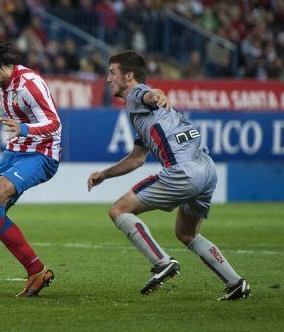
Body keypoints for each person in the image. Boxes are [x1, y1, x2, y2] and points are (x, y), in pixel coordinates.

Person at [87, 50, 250, 301]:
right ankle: (235, 283)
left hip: (183, 171)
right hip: (207, 168)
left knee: (119, 210)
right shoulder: (142, 115)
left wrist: (157, 94)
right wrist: (104, 175)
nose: (108, 79)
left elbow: (149, 94)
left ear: (128, 76)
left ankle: (161, 262)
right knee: (187, 234)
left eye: (112, 73)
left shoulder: (135, 94)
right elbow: (137, 158)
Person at [0, 40, 61, 297]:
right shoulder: (3, 86)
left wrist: (25, 129)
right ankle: (35, 270)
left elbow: (54, 123)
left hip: (42, 153)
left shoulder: (30, 83)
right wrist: (20, 134)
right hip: (16, 150)